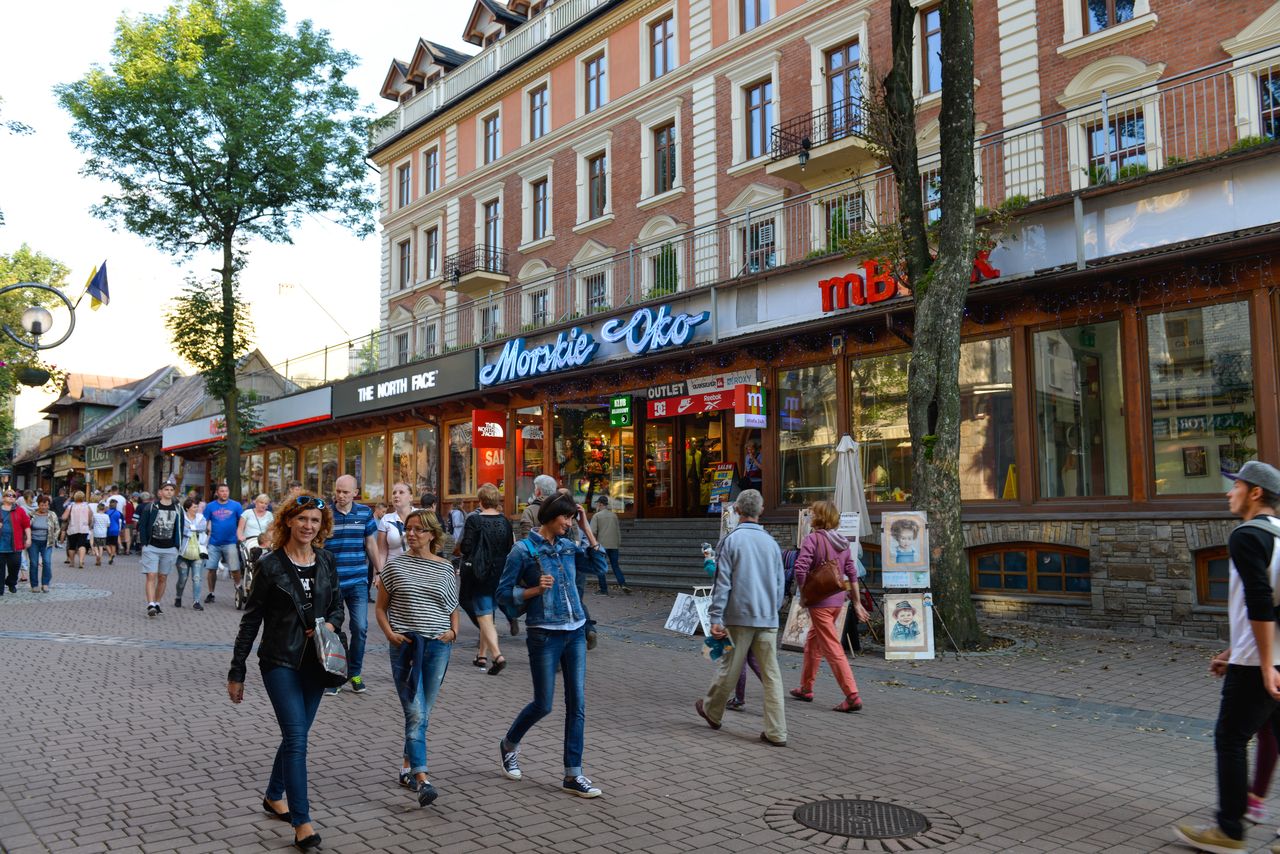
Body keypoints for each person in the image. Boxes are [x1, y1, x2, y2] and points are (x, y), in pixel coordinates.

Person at [1176, 461, 1280, 854]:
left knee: (1231, 739)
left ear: (1255, 493)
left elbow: (1258, 602)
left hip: (1259, 665)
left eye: (1235, 485)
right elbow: (1275, 604)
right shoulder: (1279, 535)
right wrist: (1233, 650)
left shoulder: (1246, 536)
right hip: (1265, 657)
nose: (1228, 492)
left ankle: (1229, 831)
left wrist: (1262, 663)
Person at [228, 493, 342, 851]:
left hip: (317, 662)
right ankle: (302, 822)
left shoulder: (326, 560)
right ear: (288, 521)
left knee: (298, 734)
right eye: (302, 519)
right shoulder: (271, 565)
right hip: (279, 661)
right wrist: (237, 670)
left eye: (315, 521)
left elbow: (337, 606)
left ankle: (274, 795)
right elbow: (251, 621)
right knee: (297, 739)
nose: (308, 526)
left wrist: (331, 626)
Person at [497, 492, 608, 798]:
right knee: (543, 704)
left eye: (573, 518)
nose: (569, 523)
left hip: (575, 632)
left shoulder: (569, 547)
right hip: (544, 634)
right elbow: (503, 595)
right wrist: (533, 590)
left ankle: (573, 774)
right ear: (550, 516)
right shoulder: (523, 550)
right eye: (567, 517)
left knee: (578, 704)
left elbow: (600, 567)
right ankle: (509, 744)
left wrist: (586, 528)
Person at [375, 508, 459, 807]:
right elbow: (381, 608)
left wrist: (453, 632)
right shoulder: (395, 567)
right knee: (415, 712)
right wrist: (390, 634)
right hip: (407, 646)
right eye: (408, 529)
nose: (411, 534)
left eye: (419, 529)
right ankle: (422, 779)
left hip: (438, 646)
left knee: (424, 712)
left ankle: (406, 768)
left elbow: (451, 606)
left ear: (433, 534)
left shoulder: (445, 568)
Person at [694, 489, 787, 747]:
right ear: (761, 510)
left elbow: (722, 582)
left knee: (729, 667)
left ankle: (713, 710)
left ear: (737, 510)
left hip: (739, 615)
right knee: (772, 676)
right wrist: (773, 608)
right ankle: (777, 730)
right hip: (767, 617)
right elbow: (780, 583)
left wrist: (716, 616)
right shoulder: (771, 543)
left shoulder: (731, 541)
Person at [789, 499, 868, 712]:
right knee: (813, 643)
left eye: (813, 513)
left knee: (832, 648)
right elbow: (852, 573)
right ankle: (806, 688)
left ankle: (852, 695)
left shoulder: (812, 539)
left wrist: (805, 593)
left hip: (820, 603)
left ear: (819, 517)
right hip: (837, 600)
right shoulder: (842, 542)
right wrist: (857, 603)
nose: (810, 516)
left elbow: (800, 568)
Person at [323, 474, 381, 695]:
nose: (340, 495)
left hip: (357, 581)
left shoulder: (365, 513)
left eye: (345, 492)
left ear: (355, 492)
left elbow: (371, 545)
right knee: (333, 630)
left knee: (360, 627)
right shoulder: (326, 514)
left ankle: (355, 673)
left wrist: (380, 571)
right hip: (332, 583)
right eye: (338, 491)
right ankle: (335, 676)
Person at [460, 483, 514, 675]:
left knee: (483, 615)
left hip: (479, 572)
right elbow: (510, 547)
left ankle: (498, 656)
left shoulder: (474, 520)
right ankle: (481, 656)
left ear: (481, 500)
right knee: (488, 613)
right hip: (499, 572)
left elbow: (466, 547)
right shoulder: (505, 522)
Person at [139, 480, 184, 616]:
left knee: (163, 577)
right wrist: (144, 543)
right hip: (152, 547)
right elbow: (142, 525)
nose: (169, 492)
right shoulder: (151, 507)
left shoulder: (178, 509)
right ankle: (150, 604)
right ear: (161, 492)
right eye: (166, 489)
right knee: (151, 575)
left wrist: (177, 546)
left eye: (171, 490)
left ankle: (157, 603)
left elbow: (180, 528)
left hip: (169, 548)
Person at [203, 483, 244, 607]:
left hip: (230, 542)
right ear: (217, 493)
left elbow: (242, 522)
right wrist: (205, 531)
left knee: (235, 568)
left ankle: (238, 588)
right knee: (211, 569)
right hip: (214, 543)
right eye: (222, 491)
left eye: (226, 491)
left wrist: (241, 535)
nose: (224, 493)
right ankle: (211, 593)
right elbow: (204, 521)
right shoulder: (210, 506)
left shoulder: (236, 506)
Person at [589, 496, 630, 595]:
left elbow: (592, 531)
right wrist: (618, 543)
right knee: (615, 566)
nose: (596, 505)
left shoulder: (597, 516)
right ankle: (623, 583)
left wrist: (592, 544)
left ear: (600, 504)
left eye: (597, 503)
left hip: (601, 545)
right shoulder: (614, 515)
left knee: (600, 566)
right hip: (613, 545)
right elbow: (617, 531)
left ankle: (603, 590)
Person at [174, 497, 207, 610]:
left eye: (197, 506)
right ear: (187, 508)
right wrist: (193, 529)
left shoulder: (201, 518)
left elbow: (203, 527)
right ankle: (178, 596)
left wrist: (191, 528)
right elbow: (180, 530)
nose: (196, 509)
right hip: (183, 554)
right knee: (182, 579)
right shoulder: (181, 517)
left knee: (197, 578)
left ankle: (196, 602)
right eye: (194, 507)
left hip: (198, 553)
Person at [0, 490, 31, 594]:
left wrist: (29, 538)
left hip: (15, 544)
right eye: (9, 495)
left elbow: (26, 525)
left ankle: (11, 582)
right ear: (3, 498)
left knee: (15, 565)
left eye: (14, 496)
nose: (11, 497)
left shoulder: (20, 510)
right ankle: (0, 589)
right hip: (1, 545)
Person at [27, 494, 57, 592]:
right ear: (38, 505)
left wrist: (54, 538)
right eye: (42, 505)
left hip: (47, 542)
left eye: (46, 505)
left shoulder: (52, 515)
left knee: (47, 562)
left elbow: (57, 528)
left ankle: (45, 583)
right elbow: (26, 527)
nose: (44, 507)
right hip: (34, 542)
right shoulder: (31, 514)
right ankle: (34, 584)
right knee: (34, 563)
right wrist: (27, 539)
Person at [517, 475, 557, 540]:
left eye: (535, 489)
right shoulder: (562, 507)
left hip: (536, 549)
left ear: (538, 492)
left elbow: (527, 538)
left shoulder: (529, 510)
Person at [63, 490, 92, 569]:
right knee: (82, 545)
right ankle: (81, 561)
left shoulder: (71, 506)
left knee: (72, 546)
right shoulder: (87, 506)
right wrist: (88, 524)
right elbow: (90, 518)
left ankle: (72, 562)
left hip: (72, 528)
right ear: (83, 498)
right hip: (83, 528)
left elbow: (64, 517)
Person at [105, 498, 124, 565]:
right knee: (113, 544)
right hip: (116, 530)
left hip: (108, 530)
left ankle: (110, 554)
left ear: (109, 505)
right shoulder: (119, 513)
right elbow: (122, 522)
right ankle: (112, 554)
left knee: (107, 544)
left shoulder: (106, 512)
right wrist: (121, 529)